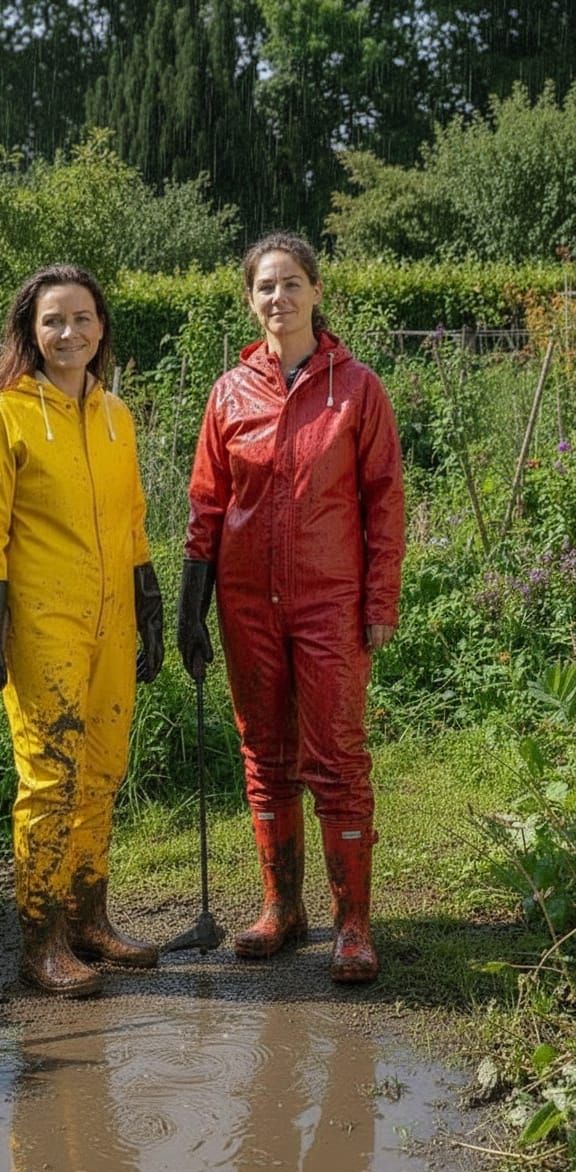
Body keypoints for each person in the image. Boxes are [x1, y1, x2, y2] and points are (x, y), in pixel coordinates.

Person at [176, 232, 405, 983]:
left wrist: (379, 601)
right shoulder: (228, 394)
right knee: (265, 760)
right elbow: (207, 505)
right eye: (265, 287)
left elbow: (383, 506)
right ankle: (282, 909)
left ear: (316, 292)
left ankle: (353, 925)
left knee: (337, 760)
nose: (279, 298)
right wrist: (191, 606)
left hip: (328, 602)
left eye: (292, 284)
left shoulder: (357, 389)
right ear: (250, 301)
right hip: (246, 606)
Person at [0, 264, 164, 998]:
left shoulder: (116, 416)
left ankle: (87, 920)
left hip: (111, 622)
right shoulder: (2, 418)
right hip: (43, 625)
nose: (68, 332)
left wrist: (149, 603)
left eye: (81, 318)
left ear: (101, 327)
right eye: (53, 321)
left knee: (103, 770)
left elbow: (133, 517)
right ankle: (39, 941)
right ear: (30, 332)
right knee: (51, 778)